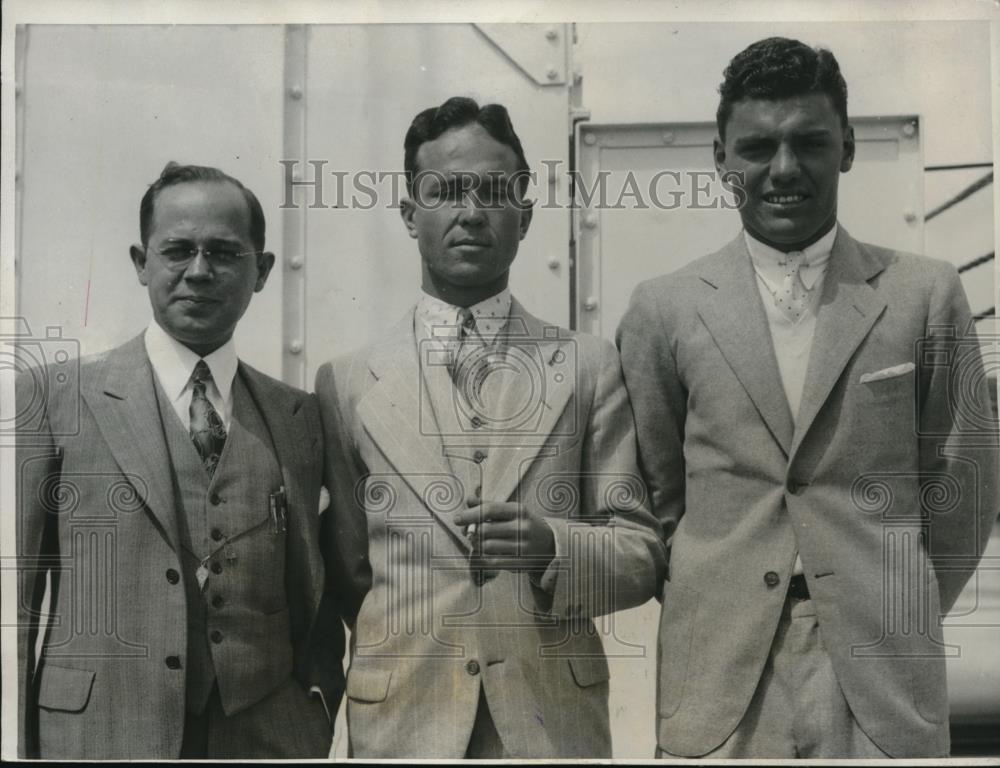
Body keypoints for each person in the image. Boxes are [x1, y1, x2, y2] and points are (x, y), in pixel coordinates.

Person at [617, 37, 999, 759]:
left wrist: (897, 602)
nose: (783, 170)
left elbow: (965, 485)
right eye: (758, 147)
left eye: (810, 143)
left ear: (848, 147)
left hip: (883, 673)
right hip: (721, 679)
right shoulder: (662, 310)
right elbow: (656, 493)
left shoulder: (924, 293)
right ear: (721, 158)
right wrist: (717, 592)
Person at [315, 96, 666, 758]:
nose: (471, 213)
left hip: (548, 727)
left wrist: (551, 548)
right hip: (403, 727)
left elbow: (640, 556)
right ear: (409, 211)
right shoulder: (349, 382)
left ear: (526, 215)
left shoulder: (588, 367)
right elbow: (352, 571)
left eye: (494, 192)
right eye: (446, 191)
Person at [15, 162, 345, 759]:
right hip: (98, 738)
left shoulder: (299, 417)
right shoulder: (55, 398)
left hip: (267, 739)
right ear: (141, 262)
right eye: (178, 250)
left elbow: (316, 591)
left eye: (223, 252)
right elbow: (12, 600)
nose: (200, 271)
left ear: (262, 271)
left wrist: (316, 703)